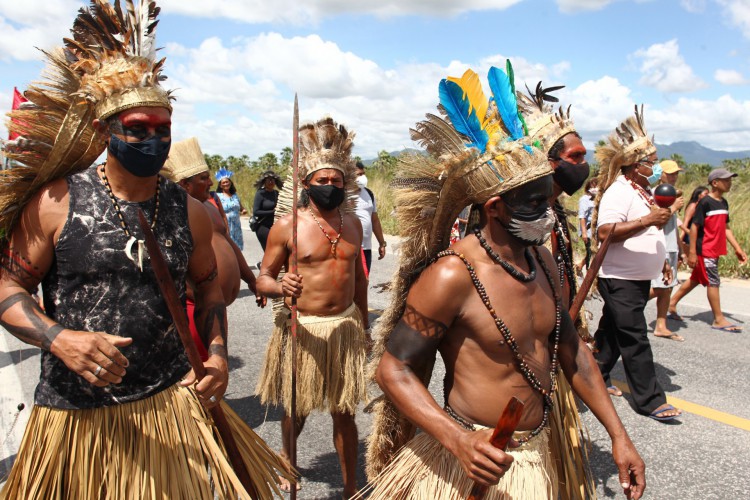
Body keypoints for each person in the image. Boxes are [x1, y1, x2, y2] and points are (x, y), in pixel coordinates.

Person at [0, 2, 290, 498]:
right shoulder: (54, 203)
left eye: (163, 129)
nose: (152, 140)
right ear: (103, 131)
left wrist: (217, 356)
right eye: (137, 128)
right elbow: (8, 284)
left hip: (167, 407)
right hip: (76, 419)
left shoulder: (189, 210)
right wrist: (59, 339)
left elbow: (207, 287)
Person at [364, 65, 644, 500]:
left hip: (534, 456)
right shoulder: (453, 274)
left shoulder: (543, 262)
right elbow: (392, 368)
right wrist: (456, 440)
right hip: (466, 458)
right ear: (494, 208)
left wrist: (619, 434)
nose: (548, 212)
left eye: (546, 198)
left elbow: (574, 354)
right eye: (534, 203)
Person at [256, 117, 369, 498]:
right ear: (306, 185)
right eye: (322, 181)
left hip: (345, 328)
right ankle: (288, 460)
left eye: (336, 181)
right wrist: (279, 286)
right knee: (297, 406)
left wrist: (365, 329)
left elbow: (361, 283)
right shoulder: (287, 225)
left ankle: (352, 485)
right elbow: (263, 278)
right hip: (302, 328)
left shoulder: (353, 224)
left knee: (345, 411)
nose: (330, 187)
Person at [517, 84, 597, 498]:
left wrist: (571, 329)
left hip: (556, 344)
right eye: (576, 158)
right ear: (549, 163)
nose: (584, 165)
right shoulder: (520, 220)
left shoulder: (555, 214)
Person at [590, 105, 682, 421]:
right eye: (651, 164)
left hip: (637, 277)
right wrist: (648, 219)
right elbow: (605, 232)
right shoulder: (618, 192)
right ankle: (650, 400)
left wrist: (661, 263)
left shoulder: (640, 190)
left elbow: (648, 230)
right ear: (634, 165)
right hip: (619, 278)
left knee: (613, 332)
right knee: (634, 337)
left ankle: (593, 375)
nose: (654, 169)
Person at [164, 137, 266, 360]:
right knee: (199, 368)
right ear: (184, 184)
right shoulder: (172, 214)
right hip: (194, 306)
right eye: (204, 178)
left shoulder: (208, 207)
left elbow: (228, 242)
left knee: (218, 363)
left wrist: (251, 280)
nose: (211, 183)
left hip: (216, 304)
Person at [668, 168, 748, 331]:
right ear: (715, 183)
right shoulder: (705, 202)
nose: (729, 183)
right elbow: (695, 226)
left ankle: (671, 303)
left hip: (715, 249)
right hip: (705, 250)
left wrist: (738, 249)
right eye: (726, 180)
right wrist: (692, 253)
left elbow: (726, 228)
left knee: (696, 279)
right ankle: (718, 319)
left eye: (730, 180)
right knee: (713, 281)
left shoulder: (723, 203)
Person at [648, 160, 686, 341]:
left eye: (676, 173)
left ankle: (661, 325)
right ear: (660, 174)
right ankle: (629, 306)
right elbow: (657, 219)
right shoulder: (657, 194)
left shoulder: (672, 194)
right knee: (660, 287)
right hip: (659, 244)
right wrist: (673, 208)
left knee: (667, 287)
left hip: (671, 245)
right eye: (670, 173)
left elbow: (673, 226)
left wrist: (680, 247)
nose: (673, 177)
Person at [354, 161, 387, 273]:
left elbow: (375, 220)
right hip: (349, 249)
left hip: (366, 248)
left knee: (364, 282)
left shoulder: (369, 194)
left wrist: (382, 243)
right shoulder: (342, 196)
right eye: (358, 174)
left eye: (363, 174)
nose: (362, 177)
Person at [216, 168, 247, 250]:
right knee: (228, 247)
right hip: (226, 225)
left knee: (237, 247)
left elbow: (241, 207)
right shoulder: (218, 196)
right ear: (220, 185)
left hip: (236, 225)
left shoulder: (234, 195)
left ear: (230, 182)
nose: (226, 184)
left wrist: (243, 210)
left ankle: (237, 262)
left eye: (227, 182)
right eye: (224, 183)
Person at [252, 170, 284, 251]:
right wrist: (273, 212)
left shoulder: (276, 193)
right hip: (263, 226)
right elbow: (256, 212)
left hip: (275, 225)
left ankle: (262, 264)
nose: (271, 182)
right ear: (264, 182)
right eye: (268, 180)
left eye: (273, 180)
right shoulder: (260, 193)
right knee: (269, 251)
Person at [677, 185, 709, 255]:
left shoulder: (702, 206)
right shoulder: (693, 206)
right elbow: (686, 222)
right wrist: (681, 238)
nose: (708, 196)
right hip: (690, 235)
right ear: (699, 195)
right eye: (706, 194)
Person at [578, 178, 598, 272]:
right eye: (592, 186)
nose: (594, 188)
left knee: (595, 251)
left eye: (596, 186)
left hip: (597, 230)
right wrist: (584, 233)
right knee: (590, 251)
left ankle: (580, 265)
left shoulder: (599, 199)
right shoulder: (584, 199)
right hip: (588, 230)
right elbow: (582, 217)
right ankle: (588, 270)